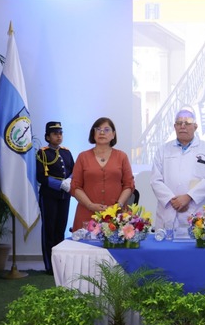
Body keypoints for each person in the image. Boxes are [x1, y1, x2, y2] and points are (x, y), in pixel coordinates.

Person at [150, 110, 205, 230]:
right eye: (179, 123)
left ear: (195, 126)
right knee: (166, 240)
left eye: (187, 123)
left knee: (194, 239)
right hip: (168, 210)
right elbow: (155, 180)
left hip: (195, 212)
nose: (182, 126)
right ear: (174, 127)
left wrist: (188, 197)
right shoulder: (163, 150)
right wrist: (172, 200)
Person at [70, 117, 135, 233]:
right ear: (93, 133)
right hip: (87, 214)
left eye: (106, 129)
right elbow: (75, 187)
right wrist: (90, 205)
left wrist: (118, 205)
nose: (101, 132)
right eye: (98, 129)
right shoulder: (83, 157)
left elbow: (129, 185)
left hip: (115, 216)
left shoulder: (122, 156)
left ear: (113, 134)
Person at [36, 121, 74, 274]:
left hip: (65, 196)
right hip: (49, 196)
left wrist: (69, 181)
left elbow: (74, 170)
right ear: (47, 137)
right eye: (55, 134)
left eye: (60, 133)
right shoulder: (43, 153)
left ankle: (60, 263)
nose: (59, 136)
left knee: (60, 229)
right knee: (49, 230)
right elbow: (41, 177)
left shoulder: (66, 152)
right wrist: (60, 184)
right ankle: (49, 265)